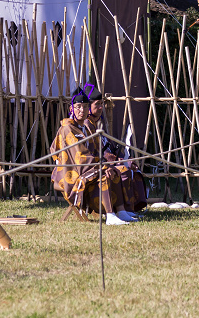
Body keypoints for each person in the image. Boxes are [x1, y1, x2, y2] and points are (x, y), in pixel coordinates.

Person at [49, 86, 136, 225]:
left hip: (88, 169)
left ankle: (121, 211)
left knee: (116, 171)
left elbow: (96, 151)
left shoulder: (87, 128)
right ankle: (110, 215)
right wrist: (103, 167)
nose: (81, 110)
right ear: (71, 109)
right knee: (104, 175)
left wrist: (108, 164)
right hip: (72, 174)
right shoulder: (67, 129)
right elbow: (81, 157)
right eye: (78, 107)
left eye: (84, 107)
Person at [84, 84, 147, 215]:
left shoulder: (97, 125)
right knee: (122, 171)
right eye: (97, 104)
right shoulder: (86, 127)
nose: (101, 107)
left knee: (132, 170)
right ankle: (121, 210)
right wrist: (109, 159)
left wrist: (123, 159)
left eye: (102, 103)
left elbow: (108, 147)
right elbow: (91, 151)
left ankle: (130, 209)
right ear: (89, 107)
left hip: (108, 162)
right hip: (94, 165)